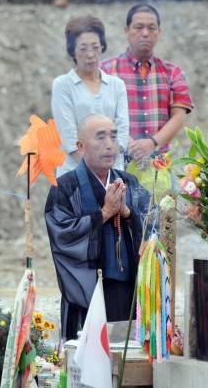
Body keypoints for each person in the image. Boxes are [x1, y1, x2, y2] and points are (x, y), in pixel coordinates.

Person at [45, 114, 150, 340]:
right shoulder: (64, 187)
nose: (109, 145)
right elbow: (61, 236)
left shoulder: (129, 182)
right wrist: (103, 214)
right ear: (81, 147)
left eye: (113, 136)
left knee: (124, 355)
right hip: (86, 291)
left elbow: (155, 223)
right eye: (100, 137)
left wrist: (128, 213)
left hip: (125, 287)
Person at [101, 3, 193, 163]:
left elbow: (179, 116)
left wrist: (152, 143)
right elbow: (101, 111)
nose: (145, 33)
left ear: (159, 32)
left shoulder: (172, 71)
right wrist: (128, 143)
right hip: (117, 160)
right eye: (138, 27)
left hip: (159, 164)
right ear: (126, 31)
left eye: (152, 28)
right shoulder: (106, 70)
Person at [52, 16, 129, 177]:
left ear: (102, 47)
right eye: (83, 49)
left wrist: (107, 169)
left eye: (95, 47)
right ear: (72, 51)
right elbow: (69, 137)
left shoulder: (117, 85)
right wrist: (95, 172)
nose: (90, 55)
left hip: (113, 174)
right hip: (74, 174)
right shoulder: (63, 85)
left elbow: (122, 131)